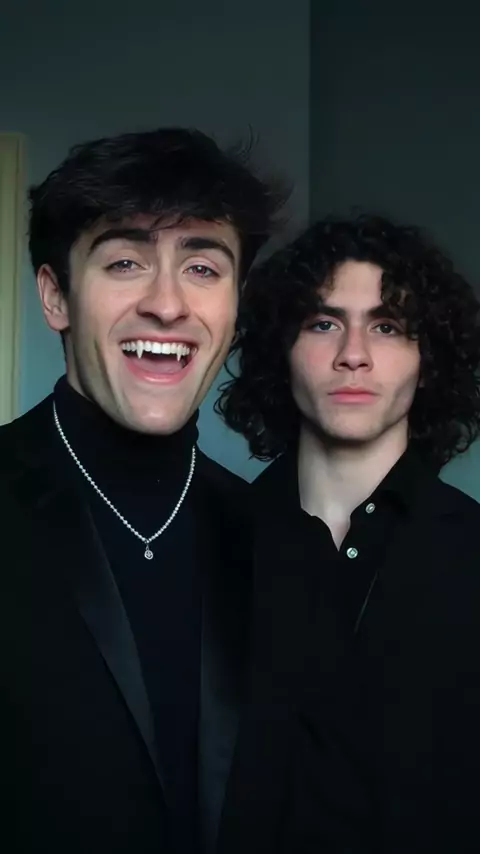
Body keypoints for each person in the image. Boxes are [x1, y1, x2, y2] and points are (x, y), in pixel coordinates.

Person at [0, 127, 285, 854]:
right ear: (56, 296)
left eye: (202, 268)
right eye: (125, 262)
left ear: (236, 306)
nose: (167, 304)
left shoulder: (277, 539)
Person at [216, 215, 480, 853]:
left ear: (427, 360)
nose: (353, 354)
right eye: (323, 323)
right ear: (282, 351)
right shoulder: (211, 540)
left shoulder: (473, 552)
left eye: (386, 326)